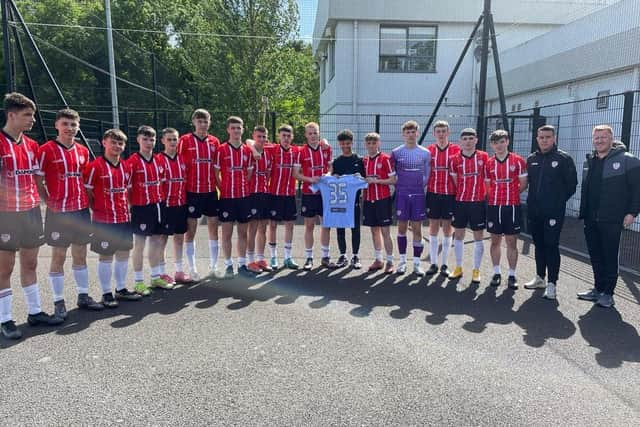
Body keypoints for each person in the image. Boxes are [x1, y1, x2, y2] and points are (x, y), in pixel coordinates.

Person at [0, 93, 63, 340]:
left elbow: (37, 181)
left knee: (30, 263)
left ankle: (35, 312)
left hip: (31, 212)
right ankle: (5, 319)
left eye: (33, 115)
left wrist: (47, 203)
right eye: (27, 115)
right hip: (5, 215)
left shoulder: (32, 146)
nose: (32, 120)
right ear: (11, 115)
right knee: (5, 268)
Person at [37, 108, 103, 318]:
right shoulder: (46, 149)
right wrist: (48, 201)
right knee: (58, 256)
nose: (69, 128)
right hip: (59, 212)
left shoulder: (83, 151)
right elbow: (38, 179)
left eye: (73, 125)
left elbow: (86, 181)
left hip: (81, 210)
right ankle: (58, 301)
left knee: (81, 254)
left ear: (78, 126)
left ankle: (83, 295)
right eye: (65, 124)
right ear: (56, 125)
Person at [577, 125, 640, 308]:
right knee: (595, 255)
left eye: (603, 137)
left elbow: (637, 189)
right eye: (596, 138)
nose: (599, 141)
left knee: (610, 256)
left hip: (612, 218)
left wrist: (632, 212)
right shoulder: (589, 161)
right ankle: (598, 288)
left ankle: (608, 293)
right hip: (591, 217)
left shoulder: (628, 160)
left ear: (611, 139)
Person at [84, 129, 142, 307]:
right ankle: (106, 293)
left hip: (124, 218)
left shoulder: (126, 167)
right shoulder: (95, 166)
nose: (117, 146)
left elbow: (127, 191)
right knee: (106, 256)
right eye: (113, 142)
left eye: (120, 143)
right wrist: (99, 209)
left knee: (124, 254)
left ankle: (121, 289)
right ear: (104, 143)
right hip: (104, 220)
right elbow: (88, 192)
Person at [523, 125, 577, 300]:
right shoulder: (531, 159)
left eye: (547, 137)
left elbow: (571, 186)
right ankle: (540, 278)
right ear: (537, 139)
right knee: (538, 245)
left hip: (553, 212)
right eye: (541, 137)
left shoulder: (563, 159)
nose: (544, 140)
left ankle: (552, 284)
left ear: (554, 138)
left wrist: (556, 202)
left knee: (551, 245)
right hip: (534, 212)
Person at [127, 125, 174, 295]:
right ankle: (139, 281)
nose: (148, 142)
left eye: (151, 139)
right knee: (139, 245)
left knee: (156, 242)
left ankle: (155, 277)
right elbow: (128, 188)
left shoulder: (159, 160)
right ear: (138, 140)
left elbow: (162, 183)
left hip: (158, 206)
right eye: (145, 139)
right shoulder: (132, 161)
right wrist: (133, 206)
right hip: (141, 208)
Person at [178, 109, 221, 280]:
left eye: (206, 121)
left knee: (213, 228)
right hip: (192, 192)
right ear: (194, 122)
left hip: (210, 191)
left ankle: (214, 265)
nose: (203, 124)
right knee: (191, 230)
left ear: (209, 122)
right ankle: (192, 268)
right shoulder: (185, 140)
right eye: (200, 121)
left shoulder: (214, 141)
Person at [484, 129, 528, 289]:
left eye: (502, 141)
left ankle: (512, 275)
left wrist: (511, 195)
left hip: (512, 207)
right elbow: (488, 186)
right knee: (495, 241)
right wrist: (497, 196)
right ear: (492, 145)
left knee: (512, 242)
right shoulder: (489, 163)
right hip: (494, 207)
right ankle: (496, 273)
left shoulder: (518, 161)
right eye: (496, 143)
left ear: (507, 141)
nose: (499, 145)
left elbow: (523, 184)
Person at [214, 116, 254, 278]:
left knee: (243, 233)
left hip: (244, 197)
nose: (236, 130)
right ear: (228, 130)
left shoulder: (247, 151)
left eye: (239, 127)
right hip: (227, 198)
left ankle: (242, 264)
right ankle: (229, 265)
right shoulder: (221, 149)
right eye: (233, 128)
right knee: (227, 234)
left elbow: (249, 173)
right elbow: (216, 173)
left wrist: (242, 186)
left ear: (243, 130)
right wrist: (222, 188)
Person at [390, 120, 431, 276]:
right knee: (401, 228)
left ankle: (416, 263)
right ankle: (401, 262)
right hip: (401, 195)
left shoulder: (425, 153)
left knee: (417, 230)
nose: (410, 135)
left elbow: (427, 175)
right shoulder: (396, 152)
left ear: (417, 133)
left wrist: (419, 186)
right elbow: (392, 174)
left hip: (418, 195)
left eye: (413, 132)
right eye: (407, 132)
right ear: (403, 134)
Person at [448, 128, 488, 283]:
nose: (468, 141)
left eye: (471, 138)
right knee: (458, 235)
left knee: (478, 236)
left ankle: (476, 270)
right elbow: (455, 181)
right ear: (460, 142)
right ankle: (458, 267)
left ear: (476, 140)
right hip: (461, 202)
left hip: (478, 202)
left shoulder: (484, 157)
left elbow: (487, 179)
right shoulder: (454, 159)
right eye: (465, 139)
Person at [293, 122, 334, 270]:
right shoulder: (300, 152)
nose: (313, 136)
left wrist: (327, 174)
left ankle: (325, 256)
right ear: (306, 135)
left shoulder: (326, 148)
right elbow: (295, 174)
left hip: (324, 194)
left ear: (319, 133)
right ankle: (309, 258)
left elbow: (330, 168)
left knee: (326, 225)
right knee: (309, 225)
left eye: (315, 133)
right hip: (308, 193)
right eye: (309, 133)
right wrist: (310, 179)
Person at [155, 128, 192, 284]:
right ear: (162, 141)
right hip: (165, 206)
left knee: (179, 238)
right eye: (169, 139)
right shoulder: (157, 160)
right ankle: (160, 273)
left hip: (181, 204)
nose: (172, 142)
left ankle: (178, 271)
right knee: (162, 239)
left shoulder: (183, 159)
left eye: (175, 139)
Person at [425, 120, 460, 276]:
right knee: (433, 227)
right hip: (433, 193)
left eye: (443, 131)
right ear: (434, 134)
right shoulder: (428, 150)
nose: (441, 134)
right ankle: (433, 263)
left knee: (447, 228)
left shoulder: (456, 150)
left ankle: (444, 264)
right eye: (438, 131)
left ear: (448, 132)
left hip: (450, 194)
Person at [265, 125, 300, 270]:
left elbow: (317, 144)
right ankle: (273, 257)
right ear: (279, 136)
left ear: (292, 137)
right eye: (283, 135)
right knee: (272, 225)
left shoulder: (297, 151)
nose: (286, 138)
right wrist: (254, 148)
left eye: (288, 136)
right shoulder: (272, 149)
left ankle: (288, 257)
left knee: (289, 226)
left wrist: (324, 142)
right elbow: (249, 141)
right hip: (274, 194)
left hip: (289, 195)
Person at [330, 129, 366, 268]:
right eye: (343, 144)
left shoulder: (359, 160)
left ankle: (355, 256)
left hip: (355, 201)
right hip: (340, 200)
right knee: (340, 229)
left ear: (352, 142)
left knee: (355, 228)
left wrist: (359, 177)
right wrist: (334, 177)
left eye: (348, 143)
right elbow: (331, 178)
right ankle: (342, 255)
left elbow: (365, 180)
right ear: (339, 144)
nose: (345, 146)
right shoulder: (337, 162)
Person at [362, 132, 396, 273]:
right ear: (366, 145)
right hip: (368, 200)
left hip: (383, 199)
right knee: (374, 230)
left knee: (385, 231)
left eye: (374, 143)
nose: (371, 146)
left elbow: (393, 181)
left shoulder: (386, 159)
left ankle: (390, 261)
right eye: (369, 143)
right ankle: (378, 259)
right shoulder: (363, 161)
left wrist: (376, 181)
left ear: (379, 143)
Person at [246, 126, 273, 273]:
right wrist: (252, 146)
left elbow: (268, 174)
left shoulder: (269, 152)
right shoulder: (249, 151)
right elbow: (247, 141)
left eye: (264, 136)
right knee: (253, 229)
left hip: (265, 193)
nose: (262, 139)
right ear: (254, 136)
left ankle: (261, 258)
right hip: (252, 194)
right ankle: (250, 261)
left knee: (263, 227)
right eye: (259, 136)